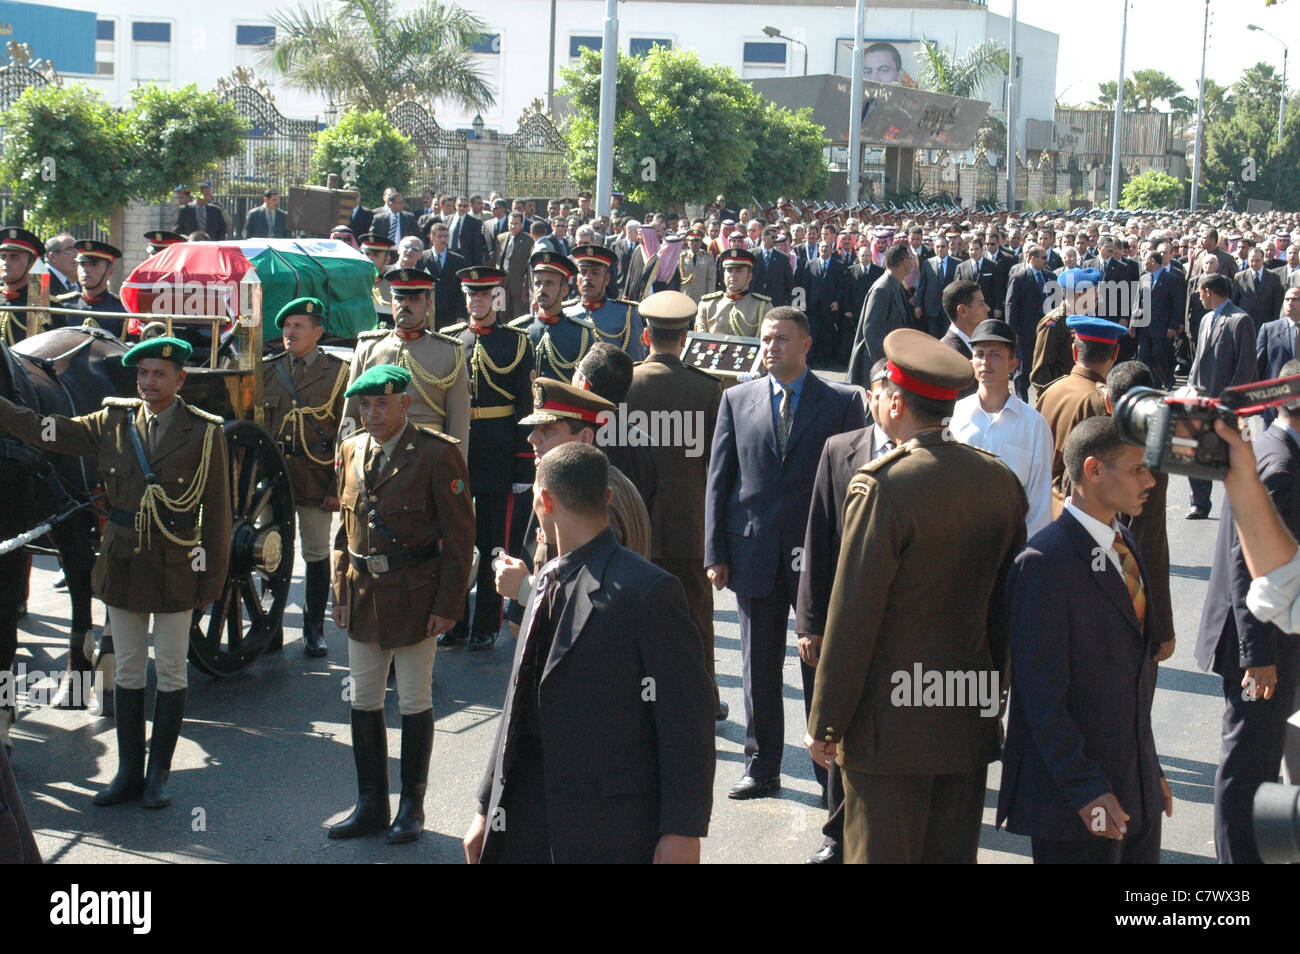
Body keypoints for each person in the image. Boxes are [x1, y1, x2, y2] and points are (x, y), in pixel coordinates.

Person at [806, 328, 1027, 863]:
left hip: (889, 729)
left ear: (897, 402)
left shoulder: (882, 485)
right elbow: (1006, 613)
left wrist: (827, 721)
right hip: (965, 715)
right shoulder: (997, 479)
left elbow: (854, 616)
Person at [0, 336, 231, 808]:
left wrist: (210, 580)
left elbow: (219, 517)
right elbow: (51, 431)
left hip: (176, 567)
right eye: (143, 374)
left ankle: (159, 776)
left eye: (159, 375)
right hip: (123, 565)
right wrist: (4, 410)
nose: (149, 382)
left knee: (169, 669)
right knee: (127, 669)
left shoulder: (206, 433)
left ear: (179, 379)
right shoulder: (113, 420)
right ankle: (128, 772)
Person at [466, 442, 714, 863]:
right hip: (530, 812)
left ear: (544, 501)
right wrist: (485, 806)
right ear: (609, 498)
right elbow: (517, 704)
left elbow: (686, 720)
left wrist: (682, 831)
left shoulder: (648, 591)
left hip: (610, 827)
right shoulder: (544, 579)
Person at [706, 307, 865, 799]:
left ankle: (828, 769)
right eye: (766, 338)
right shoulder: (736, 398)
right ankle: (762, 763)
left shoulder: (841, 403)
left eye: (781, 339)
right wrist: (715, 550)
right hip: (753, 553)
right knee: (758, 664)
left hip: (816, 560)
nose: (771, 347)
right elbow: (720, 478)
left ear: (806, 344)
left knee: (819, 664)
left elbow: (851, 486)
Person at [997, 416, 1172, 863]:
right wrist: (1086, 789)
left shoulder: (1124, 544)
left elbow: (1132, 679)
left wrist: (1148, 771)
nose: (1149, 480)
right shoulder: (1044, 564)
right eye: (1136, 469)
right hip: (1076, 808)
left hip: (1133, 795)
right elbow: (1041, 699)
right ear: (1093, 470)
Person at [329, 365, 475, 844]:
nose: (371, 414)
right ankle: (370, 802)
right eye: (364, 405)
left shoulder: (437, 455)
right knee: (365, 699)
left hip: (417, 594)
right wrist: (340, 591)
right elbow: (343, 533)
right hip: (365, 595)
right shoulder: (350, 450)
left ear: (405, 404)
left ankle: (412, 806)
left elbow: (459, 538)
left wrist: (449, 605)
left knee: (414, 700)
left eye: (382, 404)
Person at [1195, 358, 1300, 864]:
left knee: (1261, 759)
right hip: (1260, 645)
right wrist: (1258, 654)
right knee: (1247, 767)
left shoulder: (1272, 448)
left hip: (1271, 639)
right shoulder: (1279, 464)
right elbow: (1248, 562)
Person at [794, 358, 893, 864]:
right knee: (835, 722)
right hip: (839, 619)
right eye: (879, 389)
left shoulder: (923, 458)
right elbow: (818, 539)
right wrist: (809, 623)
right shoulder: (839, 450)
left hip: (895, 624)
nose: (886, 398)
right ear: (867, 396)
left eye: (895, 389)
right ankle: (836, 829)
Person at [624, 291, 725, 718]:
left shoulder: (623, 383)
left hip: (631, 522)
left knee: (634, 617)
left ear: (645, 335)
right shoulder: (706, 387)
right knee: (696, 615)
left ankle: (638, 697)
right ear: (684, 340)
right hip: (688, 524)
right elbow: (717, 463)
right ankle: (704, 697)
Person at [440, 266, 535, 649]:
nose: (475, 302)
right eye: (469, 295)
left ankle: (486, 624)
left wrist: (523, 461)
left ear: (494, 298)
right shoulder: (451, 341)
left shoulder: (516, 343)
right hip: (461, 450)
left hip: (499, 451)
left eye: (482, 295)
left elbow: (526, 407)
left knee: (494, 542)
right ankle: (456, 620)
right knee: (458, 540)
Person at [262, 297, 349, 658]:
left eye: (298, 326)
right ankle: (271, 626)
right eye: (286, 326)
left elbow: (347, 433)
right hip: (274, 479)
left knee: (315, 553)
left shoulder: (339, 372)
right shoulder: (268, 369)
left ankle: (314, 628)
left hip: (316, 476)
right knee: (269, 553)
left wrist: (336, 487)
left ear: (317, 332)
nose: (289, 332)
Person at [346, 267, 470, 454]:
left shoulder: (449, 351)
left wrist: (455, 471)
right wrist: (346, 462)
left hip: (427, 456)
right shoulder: (368, 348)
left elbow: (458, 421)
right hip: (375, 454)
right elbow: (351, 413)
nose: (405, 304)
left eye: (414, 299)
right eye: (399, 298)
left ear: (428, 305)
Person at [949, 319, 1054, 537]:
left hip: (1012, 544)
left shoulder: (1034, 424)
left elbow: (1039, 500)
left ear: (1013, 364)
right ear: (971, 362)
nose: (985, 362)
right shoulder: (955, 416)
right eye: (979, 354)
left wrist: (1028, 555)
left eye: (995, 354)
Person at [1106, 362, 1176, 665]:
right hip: (1128, 606)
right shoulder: (1151, 458)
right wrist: (1162, 626)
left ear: (1109, 402)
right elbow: (1148, 545)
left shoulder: (1087, 445)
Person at [1035, 315, 1124, 514]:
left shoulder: (1051, 391)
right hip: (1079, 509)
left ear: (1075, 351)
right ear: (1115, 353)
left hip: (1041, 502)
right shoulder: (1104, 402)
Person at [1187, 273, 1257, 519]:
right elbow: (1198, 360)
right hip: (1200, 400)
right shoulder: (1206, 319)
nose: (1198, 296)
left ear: (1208, 291)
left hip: (1225, 404)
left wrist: (1230, 401)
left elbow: (1246, 366)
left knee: (1231, 455)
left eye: (1200, 292)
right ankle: (1200, 503)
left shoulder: (1240, 320)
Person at [508, 250, 589, 382]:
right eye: (538, 283)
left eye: (549, 283)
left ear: (564, 290)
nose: (542, 289)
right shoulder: (518, 332)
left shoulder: (582, 335)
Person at [847, 242, 914, 388]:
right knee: (875, 410)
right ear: (902, 261)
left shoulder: (896, 285)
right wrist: (884, 366)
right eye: (910, 258)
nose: (913, 261)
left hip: (891, 362)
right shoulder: (882, 288)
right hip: (879, 366)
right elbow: (872, 332)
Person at [564, 244, 647, 361]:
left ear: (606, 279)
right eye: (583, 272)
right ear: (577, 279)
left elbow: (636, 362)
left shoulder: (626, 315)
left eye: (595, 273)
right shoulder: (565, 314)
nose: (587, 278)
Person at [1032, 267, 1101, 390]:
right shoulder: (1054, 323)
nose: (1098, 296)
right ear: (1079, 293)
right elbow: (1040, 375)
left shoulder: (1086, 318)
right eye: (1095, 291)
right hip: (1062, 398)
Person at [1131, 249, 1185, 390]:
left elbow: (1178, 305)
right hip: (1144, 325)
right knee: (1143, 356)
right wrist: (1133, 323)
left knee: (1159, 355)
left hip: (1162, 326)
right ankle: (1147, 384)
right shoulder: (1144, 278)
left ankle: (1167, 380)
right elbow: (1137, 302)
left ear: (1153, 261)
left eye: (1145, 260)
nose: (1143, 263)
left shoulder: (1171, 279)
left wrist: (1173, 326)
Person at [1004, 245, 1050, 400]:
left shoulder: (1049, 276)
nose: (1046, 260)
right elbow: (1011, 305)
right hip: (1024, 331)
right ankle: (1020, 400)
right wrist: (1012, 331)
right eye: (1043, 258)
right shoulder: (1019, 277)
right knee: (1022, 369)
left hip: (1044, 330)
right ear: (1032, 258)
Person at [54, 241, 128, 338]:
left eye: (93, 264)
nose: (86, 269)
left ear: (110, 272)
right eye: (82, 264)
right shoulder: (62, 305)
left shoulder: (122, 309)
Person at [696, 249, 771, 337]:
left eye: (738, 271)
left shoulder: (763, 307)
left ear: (749, 276)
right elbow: (699, 342)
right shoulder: (707, 305)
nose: (732, 275)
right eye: (729, 270)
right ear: (724, 275)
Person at [1256, 287, 1300, 424]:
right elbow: (1258, 366)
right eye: (1287, 299)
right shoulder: (1269, 329)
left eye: (1295, 299)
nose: (1290, 303)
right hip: (1275, 405)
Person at [418, 221, 469, 331]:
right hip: (427, 312)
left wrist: (462, 314)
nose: (443, 240)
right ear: (431, 237)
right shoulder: (421, 258)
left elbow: (462, 290)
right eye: (439, 236)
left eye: (446, 236)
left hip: (451, 313)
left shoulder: (458, 260)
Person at [0, 226, 45, 345]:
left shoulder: (44, 304)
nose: (6, 262)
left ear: (31, 264)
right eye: (3, 257)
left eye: (14, 257)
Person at [1235, 247, 1285, 339]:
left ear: (1263, 260)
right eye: (1251, 260)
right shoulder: (1239, 277)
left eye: (1257, 260)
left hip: (1267, 323)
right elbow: (1235, 301)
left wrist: (1276, 322)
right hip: (1245, 322)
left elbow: (1278, 302)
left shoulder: (1273, 277)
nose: (1254, 263)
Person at [939, 278, 988, 363]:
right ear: (963, 310)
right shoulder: (951, 355)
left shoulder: (976, 345)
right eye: (981, 304)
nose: (988, 308)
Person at [496, 212, 535, 319]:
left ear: (521, 224)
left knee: (518, 315)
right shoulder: (500, 238)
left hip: (518, 286)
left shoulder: (528, 240)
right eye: (511, 223)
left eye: (516, 223)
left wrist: (527, 287)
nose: (513, 226)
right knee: (499, 313)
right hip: (500, 284)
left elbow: (530, 265)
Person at [446, 195, 488, 266]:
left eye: (465, 206)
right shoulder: (447, 219)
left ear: (468, 207)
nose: (462, 208)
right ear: (455, 206)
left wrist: (477, 264)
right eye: (460, 205)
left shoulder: (475, 223)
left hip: (464, 258)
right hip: (449, 254)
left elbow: (477, 246)